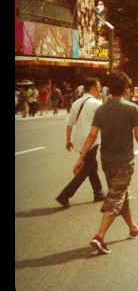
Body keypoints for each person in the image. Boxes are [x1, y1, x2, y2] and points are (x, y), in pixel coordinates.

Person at [73, 70, 138, 255]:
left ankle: (133, 228)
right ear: (125, 89)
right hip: (124, 162)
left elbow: (92, 135)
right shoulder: (131, 108)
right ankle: (99, 236)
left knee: (120, 195)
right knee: (116, 197)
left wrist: (81, 157)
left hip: (106, 161)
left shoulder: (101, 109)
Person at [55, 77, 105, 208]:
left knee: (92, 167)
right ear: (93, 87)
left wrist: (68, 140)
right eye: (99, 87)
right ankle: (64, 196)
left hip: (79, 140)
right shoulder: (96, 104)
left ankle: (98, 193)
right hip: (91, 141)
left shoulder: (76, 102)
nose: (100, 89)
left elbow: (69, 123)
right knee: (84, 171)